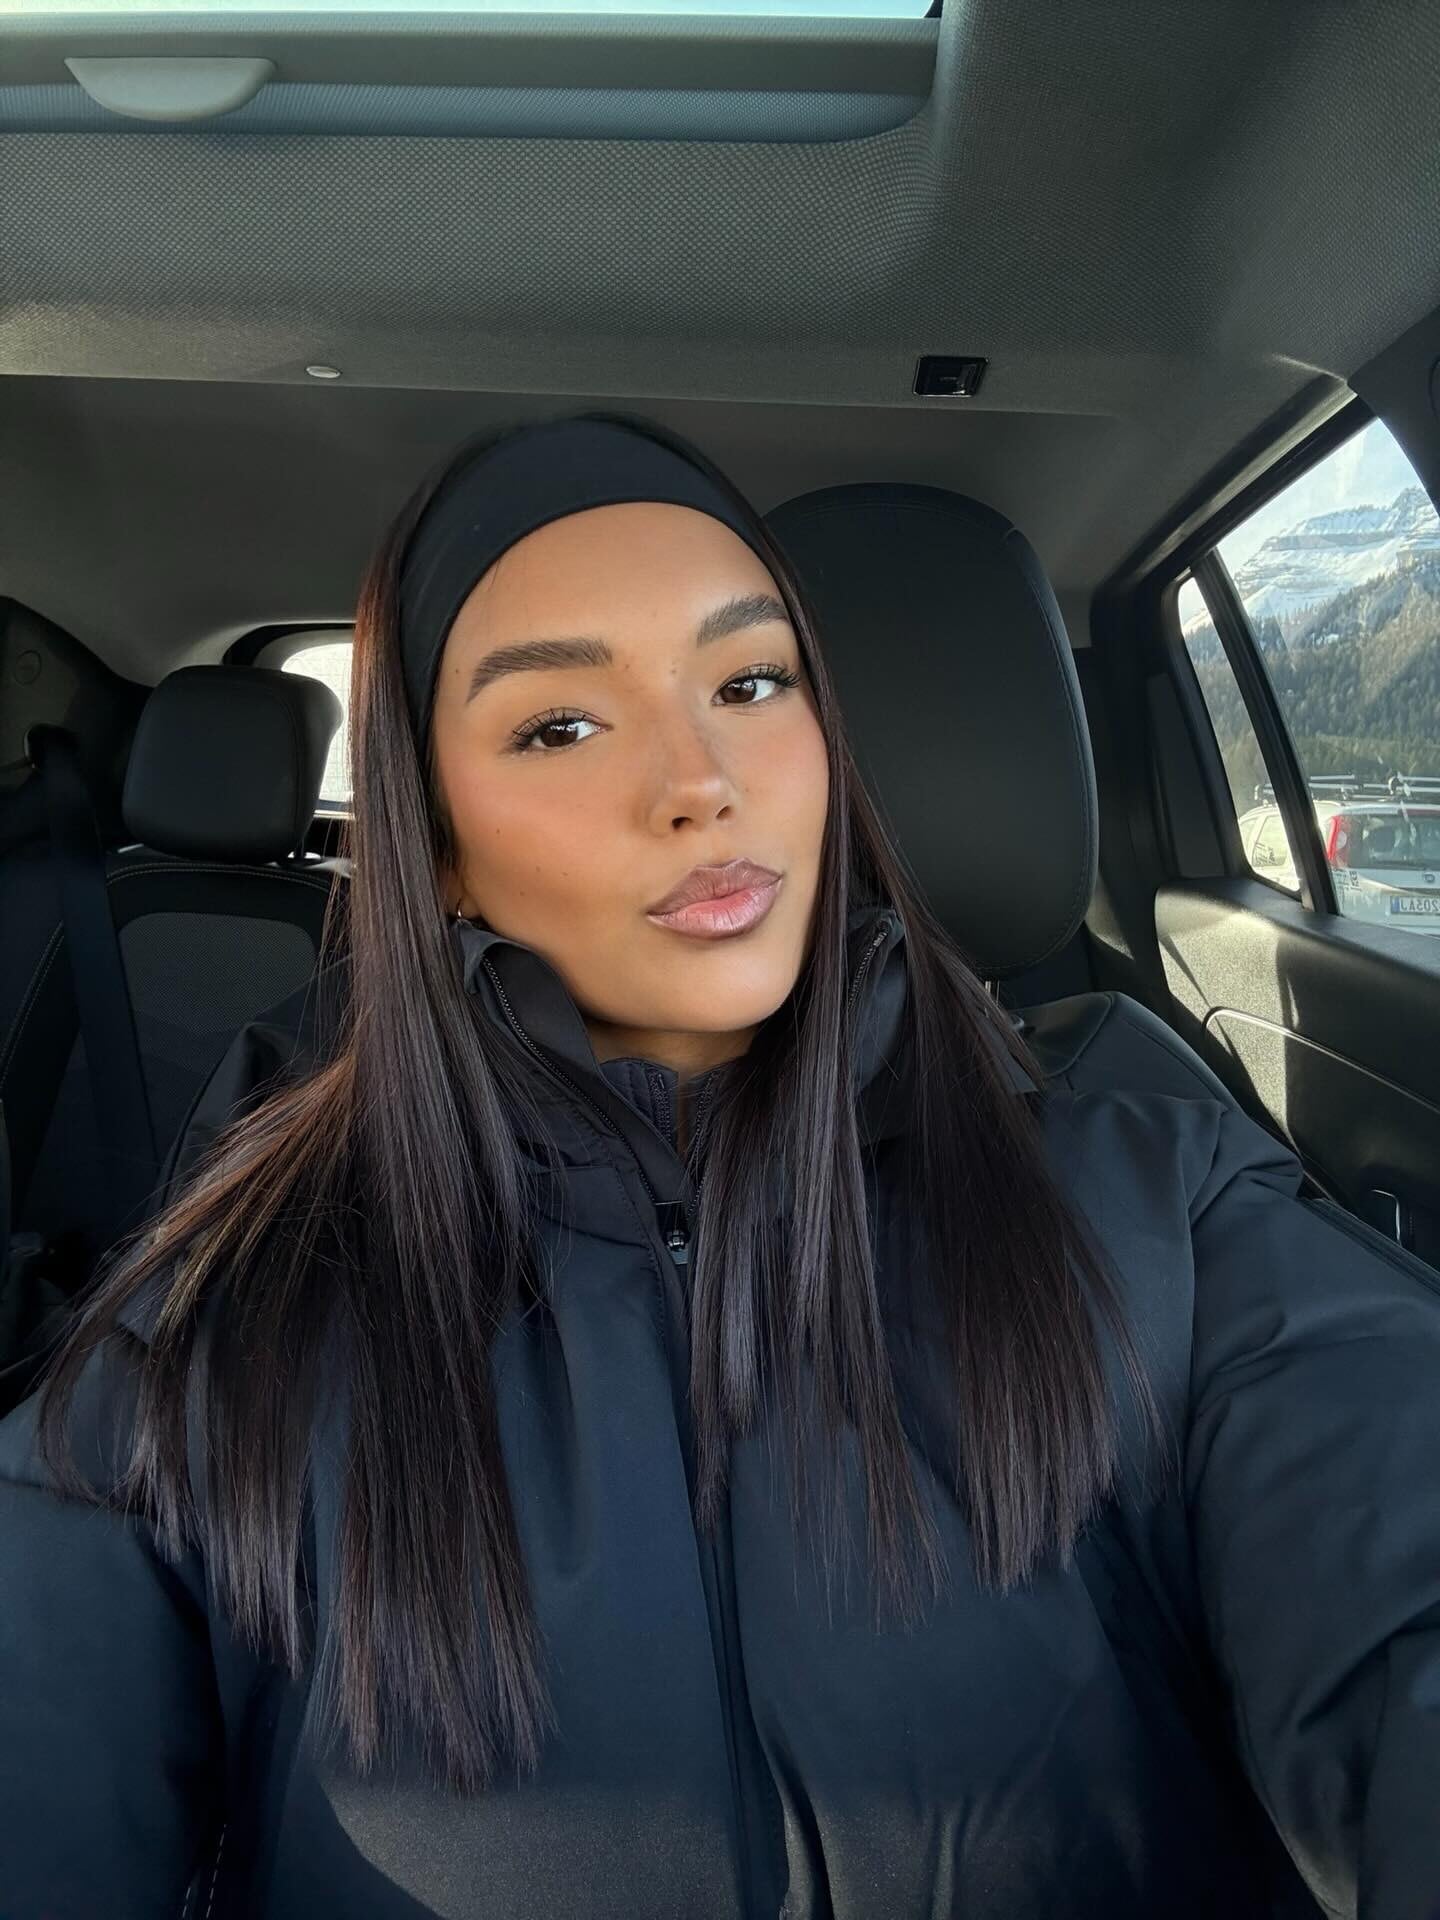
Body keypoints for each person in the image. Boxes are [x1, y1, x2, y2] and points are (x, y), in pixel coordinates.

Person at [1, 413, 1437, 1920]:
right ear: (438, 847)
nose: (700, 780)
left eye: (751, 684)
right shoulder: (220, 1331)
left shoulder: (1168, 1216)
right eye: (559, 726)